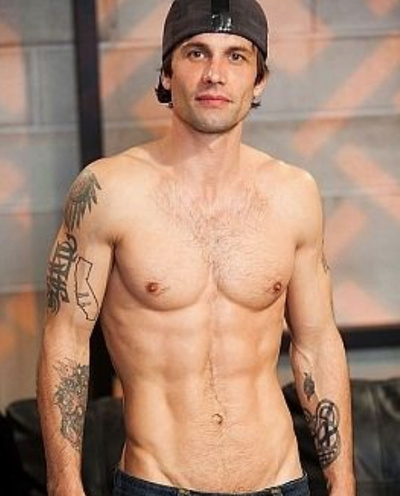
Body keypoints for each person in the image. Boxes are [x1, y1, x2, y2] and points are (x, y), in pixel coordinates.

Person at [37, 0, 356, 495]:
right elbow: (67, 342)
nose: (214, 74)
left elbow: (316, 344)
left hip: (281, 481)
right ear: (167, 74)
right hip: (158, 483)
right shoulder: (108, 190)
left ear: (259, 81)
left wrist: (343, 480)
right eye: (196, 53)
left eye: (236, 57)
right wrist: (64, 484)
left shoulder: (294, 194)